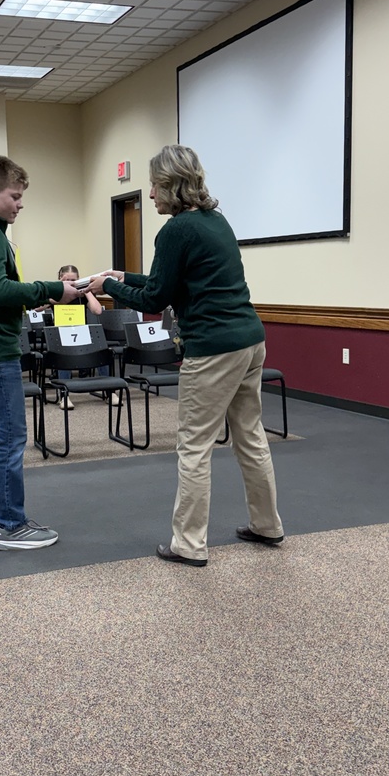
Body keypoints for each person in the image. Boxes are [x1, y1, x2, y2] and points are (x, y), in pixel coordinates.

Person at [87, 144, 283, 568]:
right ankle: (268, 525)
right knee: (250, 436)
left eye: (155, 185)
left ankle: (189, 545)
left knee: (194, 445)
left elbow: (157, 297)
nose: (151, 194)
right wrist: (123, 277)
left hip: (212, 348)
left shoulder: (175, 230)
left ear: (171, 186)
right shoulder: (216, 222)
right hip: (250, 340)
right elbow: (174, 282)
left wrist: (109, 288)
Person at [0, 154, 79, 550]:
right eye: (15, 196)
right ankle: (9, 525)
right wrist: (51, 289)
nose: (20, 204)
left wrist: (36, 296)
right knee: (10, 436)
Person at [52, 264, 110, 410]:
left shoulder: (82, 295)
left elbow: (97, 310)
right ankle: (64, 396)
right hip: (62, 335)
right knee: (65, 350)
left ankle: (110, 391)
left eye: (75, 280)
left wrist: (87, 290)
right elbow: (40, 306)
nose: (72, 283)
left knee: (101, 347)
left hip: (81, 333)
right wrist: (59, 287)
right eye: (68, 280)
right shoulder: (56, 292)